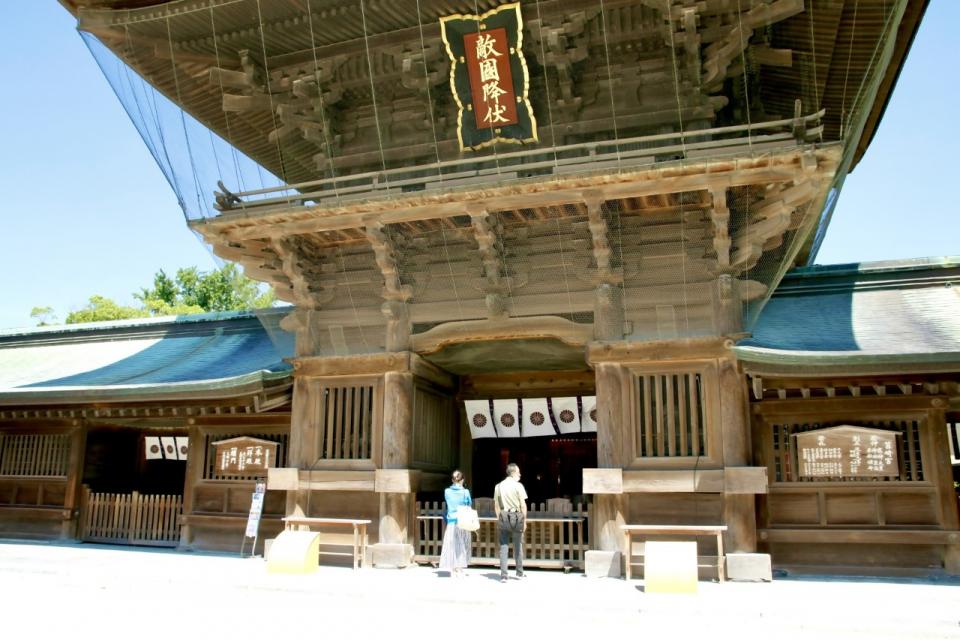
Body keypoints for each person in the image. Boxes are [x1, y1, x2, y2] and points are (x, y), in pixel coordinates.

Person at [493, 462, 527, 582]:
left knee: (504, 546)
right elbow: (523, 505)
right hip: (517, 516)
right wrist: (524, 520)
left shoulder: (498, 486)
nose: (520, 474)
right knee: (518, 545)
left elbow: (496, 505)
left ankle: (504, 575)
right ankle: (519, 572)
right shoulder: (519, 486)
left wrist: (499, 518)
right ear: (513, 473)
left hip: (504, 515)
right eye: (518, 472)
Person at [438, 469, 472, 577]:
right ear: (462, 480)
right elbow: (469, 504)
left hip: (451, 521)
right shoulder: (465, 492)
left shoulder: (447, 491)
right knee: (462, 544)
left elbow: (449, 502)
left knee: (452, 545)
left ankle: (453, 569)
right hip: (462, 521)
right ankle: (460, 569)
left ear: (452, 480)